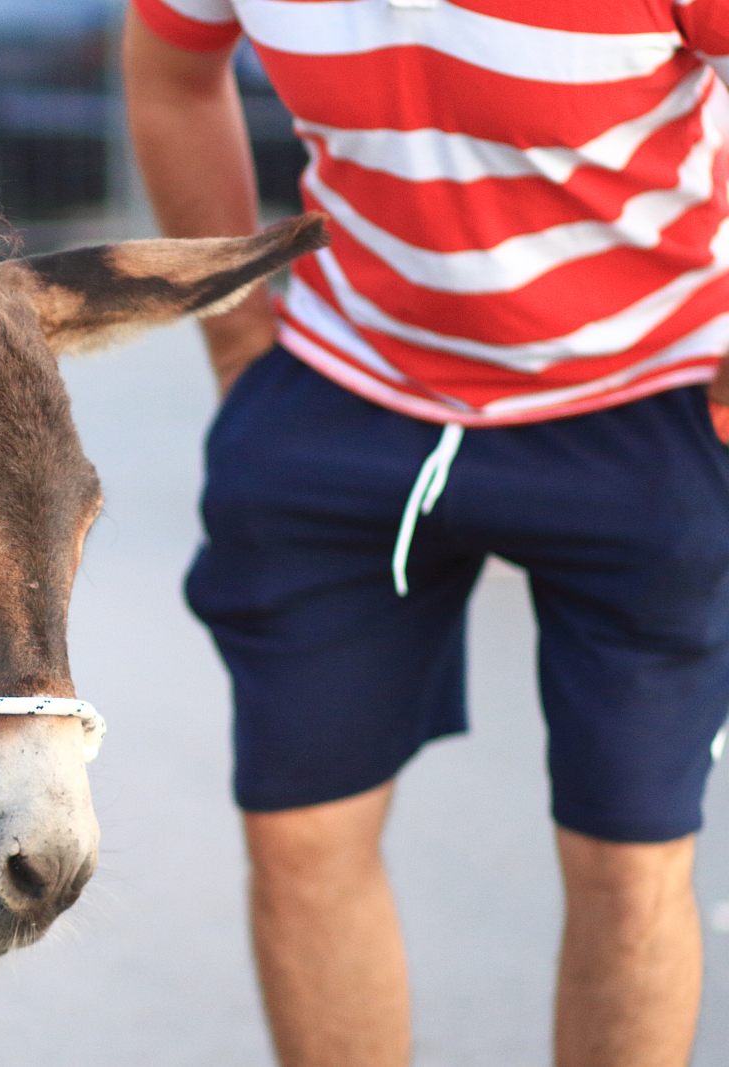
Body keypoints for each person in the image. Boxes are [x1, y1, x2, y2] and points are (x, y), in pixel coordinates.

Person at [124, 2, 729, 1065]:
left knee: (628, 861)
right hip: (350, 377)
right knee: (299, 835)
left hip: (649, 386)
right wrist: (236, 338)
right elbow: (172, 75)